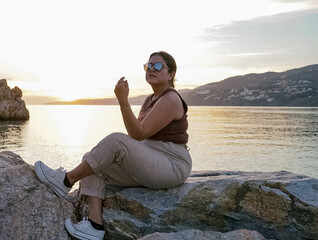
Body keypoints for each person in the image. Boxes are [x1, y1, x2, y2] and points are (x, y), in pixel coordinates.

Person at [34, 51, 192, 240]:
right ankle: (94, 225)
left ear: (171, 74)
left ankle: (65, 181)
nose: (151, 69)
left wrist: (123, 100)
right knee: (94, 162)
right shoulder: (150, 100)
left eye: (157, 66)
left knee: (116, 141)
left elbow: (138, 133)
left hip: (172, 163)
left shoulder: (171, 99)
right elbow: (138, 137)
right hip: (152, 159)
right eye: (148, 66)